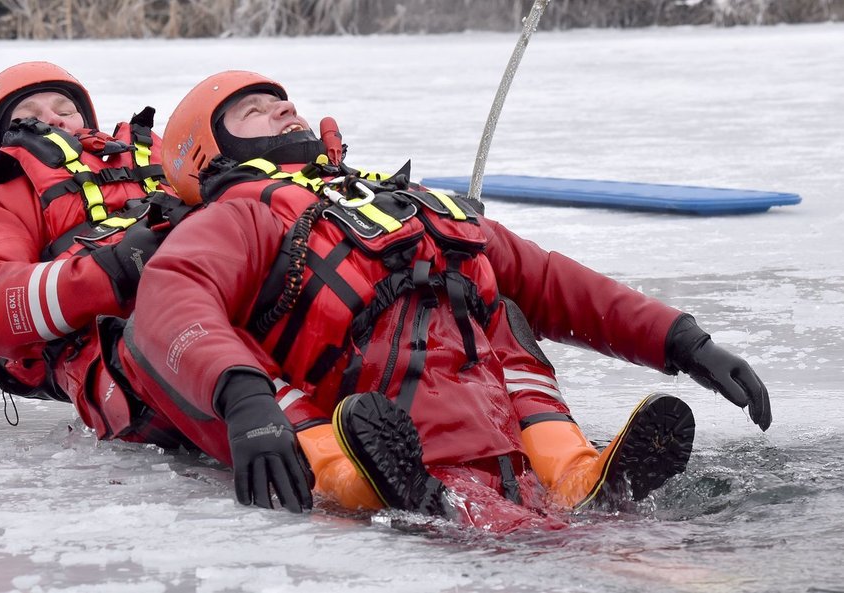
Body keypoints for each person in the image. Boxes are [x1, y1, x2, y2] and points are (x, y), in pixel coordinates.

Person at [95, 71, 770, 532]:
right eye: (253, 108)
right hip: (355, 418)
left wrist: (682, 341)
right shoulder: (241, 213)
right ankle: (363, 481)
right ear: (208, 150)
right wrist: (242, 399)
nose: (283, 108)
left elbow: (553, 278)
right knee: (264, 370)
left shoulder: (402, 203)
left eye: (284, 99)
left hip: (488, 421)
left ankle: (573, 473)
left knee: (506, 306)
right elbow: (171, 296)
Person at [0, 62, 195, 447]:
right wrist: (112, 270)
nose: (53, 120)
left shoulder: (155, 156)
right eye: (28, 116)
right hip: (122, 353)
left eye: (64, 108)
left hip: (219, 300)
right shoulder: (4, 194)